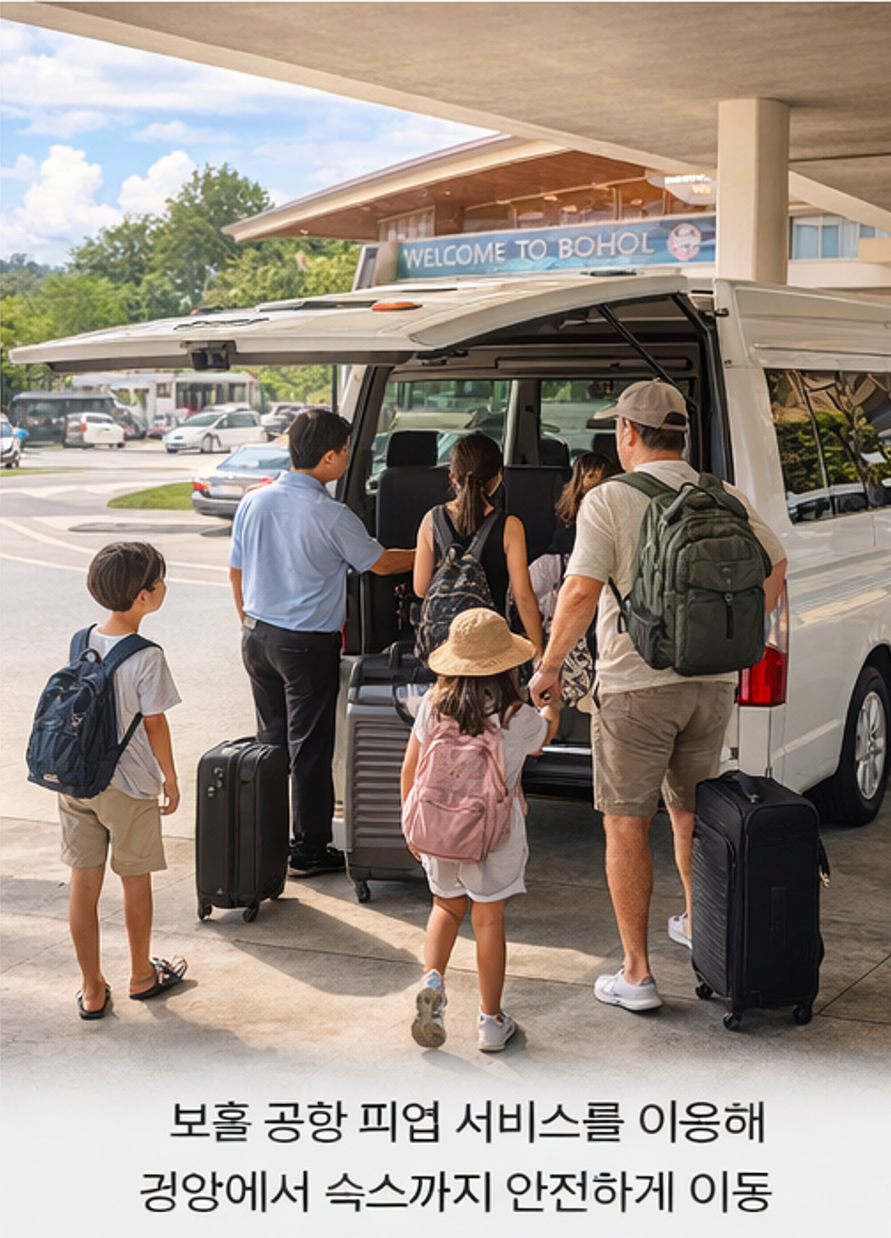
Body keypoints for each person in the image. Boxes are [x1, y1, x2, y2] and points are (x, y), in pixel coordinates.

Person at [529, 380, 787, 1012]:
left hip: (635, 688)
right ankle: (701, 924)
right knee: (692, 814)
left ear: (628, 433)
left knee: (625, 824)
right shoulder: (721, 494)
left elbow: (580, 593)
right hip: (712, 682)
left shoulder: (608, 499)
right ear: (681, 436)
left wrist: (549, 666)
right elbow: (775, 566)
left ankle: (637, 974)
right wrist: (733, 637)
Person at [229, 408, 414, 877]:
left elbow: (236, 568)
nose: (348, 458)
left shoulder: (255, 501)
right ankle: (309, 848)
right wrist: (431, 545)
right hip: (306, 645)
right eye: (346, 450)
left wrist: (249, 620)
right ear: (329, 457)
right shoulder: (330, 514)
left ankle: (266, 841)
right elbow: (381, 564)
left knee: (271, 743)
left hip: (257, 637)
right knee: (309, 750)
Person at [401, 608, 560, 1051]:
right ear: (507, 664)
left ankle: (432, 980)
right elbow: (544, 737)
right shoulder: (515, 716)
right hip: (493, 837)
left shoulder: (434, 704)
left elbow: (411, 768)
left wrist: (411, 824)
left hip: (436, 829)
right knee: (487, 920)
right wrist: (553, 705)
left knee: (445, 908)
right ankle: (491, 1022)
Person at [59, 542, 186, 1018]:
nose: (164, 586)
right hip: (128, 785)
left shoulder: (80, 640)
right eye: (159, 581)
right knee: (135, 880)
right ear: (143, 598)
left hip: (76, 782)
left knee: (82, 886)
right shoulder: (147, 656)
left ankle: (92, 989)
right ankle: (141, 975)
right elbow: (154, 723)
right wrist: (169, 778)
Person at [413, 432, 543, 660]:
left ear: (452, 477)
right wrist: (538, 653)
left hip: (445, 651)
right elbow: (523, 597)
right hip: (492, 649)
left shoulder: (431, 521)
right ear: (499, 477)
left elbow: (421, 588)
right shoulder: (510, 527)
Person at [530, 451, 620, 706]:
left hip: (569, 673)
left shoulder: (549, 562)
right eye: (587, 497)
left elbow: (524, 602)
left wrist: (543, 662)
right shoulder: (550, 563)